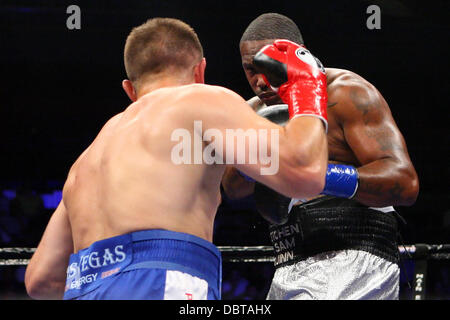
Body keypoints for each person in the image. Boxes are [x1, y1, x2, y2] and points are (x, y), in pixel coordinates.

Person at [24, 17, 329, 300]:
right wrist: (307, 86)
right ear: (200, 71)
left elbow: (40, 279)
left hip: (82, 289)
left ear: (130, 89)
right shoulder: (201, 99)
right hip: (162, 281)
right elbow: (304, 174)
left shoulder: (86, 161)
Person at [222, 13, 419, 300]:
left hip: (355, 259)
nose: (260, 81)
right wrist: (254, 155)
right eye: (250, 69)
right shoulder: (252, 113)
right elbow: (232, 189)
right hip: (290, 261)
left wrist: (317, 177)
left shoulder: (346, 93)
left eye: (268, 67)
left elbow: (405, 183)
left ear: (298, 57)